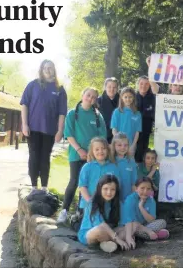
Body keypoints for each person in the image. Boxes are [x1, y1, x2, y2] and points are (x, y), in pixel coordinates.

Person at [57, 88, 107, 224]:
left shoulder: (97, 116)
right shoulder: (73, 113)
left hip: (92, 156)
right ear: (83, 95)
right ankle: (64, 211)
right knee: (74, 181)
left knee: (85, 183)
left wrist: (92, 153)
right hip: (75, 154)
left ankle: (80, 211)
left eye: (93, 97)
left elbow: (102, 136)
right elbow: (69, 134)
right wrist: (79, 150)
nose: (90, 98)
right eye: (88, 95)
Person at [20, 59, 67, 192]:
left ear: (54, 70)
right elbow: (24, 105)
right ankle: (34, 186)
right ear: (41, 70)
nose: (47, 69)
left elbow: (62, 113)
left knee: (45, 157)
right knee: (34, 156)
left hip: (50, 130)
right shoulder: (33, 85)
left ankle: (44, 187)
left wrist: (60, 130)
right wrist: (24, 124)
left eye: (50, 67)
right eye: (45, 67)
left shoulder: (60, 89)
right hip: (32, 128)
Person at [77, 174, 129, 252]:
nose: (109, 192)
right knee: (100, 230)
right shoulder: (92, 202)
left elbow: (124, 223)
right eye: (105, 189)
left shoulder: (118, 203)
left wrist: (128, 235)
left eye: (112, 189)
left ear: (116, 191)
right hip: (91, 232)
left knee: (126, 230)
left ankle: (106, 244)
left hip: (109, 231)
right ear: (100, 188)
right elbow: (101, 225)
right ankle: (112, 243)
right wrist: (118, 239)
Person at [121, 177, 169, 249]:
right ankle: (151, 234)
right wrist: (148, 230)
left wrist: (141, 207)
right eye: (142, 188)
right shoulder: (130, 199)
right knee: (134, 225)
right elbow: (129, 220)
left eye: (148, 189)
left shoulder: (151, 200)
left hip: (143, 225)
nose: (145, 191)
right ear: (136, 189)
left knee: (162, 222)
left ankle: (140, 235)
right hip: (129, 226)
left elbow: (151, 220)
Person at [78, 137, 120, 212]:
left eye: (103, 148)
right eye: (97, 149)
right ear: (92, 151)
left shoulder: (113, 168)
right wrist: (90, 201)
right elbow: (82, 186)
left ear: (107, 150)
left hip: (107, 206)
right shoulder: (87, 167)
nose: (100, 151)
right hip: (87, 205)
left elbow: (116, 186)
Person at [111, 87, 142, 157]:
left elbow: (137, 132)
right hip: (118, 144)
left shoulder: (137, 114)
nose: (128, 99)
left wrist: (133, 145)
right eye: (126, 97)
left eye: (130, 97)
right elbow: (114, 129)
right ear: (122, 97)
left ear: (134, 98)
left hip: (131, 145)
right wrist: (119, 143)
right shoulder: (117, 112)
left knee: (129, 165)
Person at [135, 76, 159, 163]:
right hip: (132, 132)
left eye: (146, 84)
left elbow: (156, 88)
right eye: (141, 83)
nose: (143, 86)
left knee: (141, 155)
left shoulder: (153, 98)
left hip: (145, 132)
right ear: (138, 84)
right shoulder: (132, 97)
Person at [112, 133, 138, 201]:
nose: (123, 147)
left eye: (125, 145)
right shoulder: (110, 161)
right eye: (119, 145)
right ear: (114, 146)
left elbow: (134, 183)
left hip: (127, 198)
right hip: (112, 198)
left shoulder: (131, 162)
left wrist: (133, 199)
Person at [97, 77, 119, 144]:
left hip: (118, 136)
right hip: (102, 135)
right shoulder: (98, 101)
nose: (112, 89)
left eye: (114, 87)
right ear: (105, 87)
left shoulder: (122, 101)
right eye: (109, 87)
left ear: (117, 88)